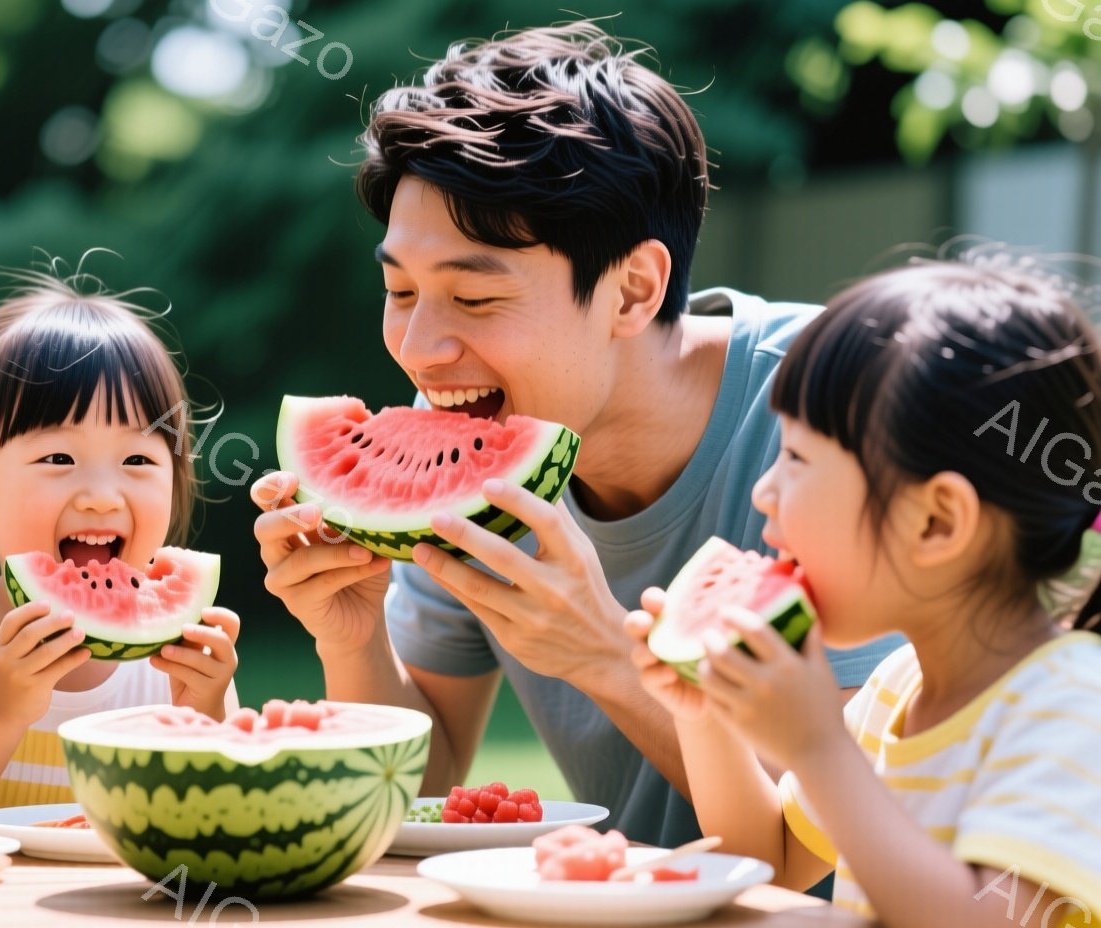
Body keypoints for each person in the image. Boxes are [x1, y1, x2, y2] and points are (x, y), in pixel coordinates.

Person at [251, 21, 901, 850]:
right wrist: (353, 638)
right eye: (402, 290)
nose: (419, 350)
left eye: (475, 299)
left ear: (633, 291)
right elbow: (428, 778)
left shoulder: (840, 420)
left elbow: (829, 837)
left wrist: (605, 659)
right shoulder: (471, 444)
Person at [627, 257, 1101, 927]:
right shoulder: (896, 689)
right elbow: (770, 858)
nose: (764, 491)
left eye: (796, 460)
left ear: (937, 522)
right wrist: (703, 712)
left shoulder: (1068, 709)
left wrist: (819, 748)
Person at [0, 269, 240, 830]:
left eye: (138, 460)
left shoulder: (178, 659)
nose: (100, 496)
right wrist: (2, 713)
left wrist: (204, 713)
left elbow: (224, 826)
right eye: (58, 460)